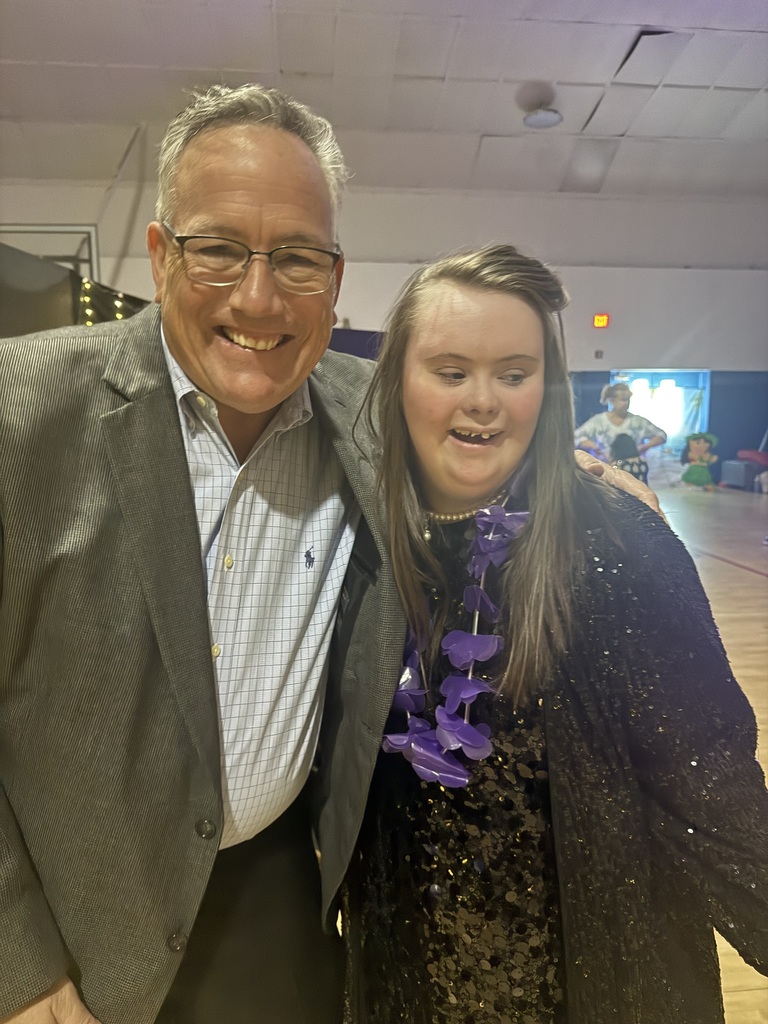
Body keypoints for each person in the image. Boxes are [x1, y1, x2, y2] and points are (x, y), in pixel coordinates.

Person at [0, 84, 662, 1024]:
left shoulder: (367, 413)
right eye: (219, 249)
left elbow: (476, 422)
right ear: (157, 255)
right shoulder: (17, 416)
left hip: (274, 908)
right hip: (64, 921)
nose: (259, 297)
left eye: (297, 258)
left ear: (336, 276)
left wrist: (576, 467)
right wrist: (18, 967)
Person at [337, 244, 768, 1024]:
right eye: (450, 370)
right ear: (399, 379)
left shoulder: (618, 544)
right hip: (410, 976)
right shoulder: (359, 538)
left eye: (513, 372)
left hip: (594, 976)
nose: (484, 401)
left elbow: (712, 784)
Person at [575, 381, 667, 462]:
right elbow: (576, 436)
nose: (626, 403)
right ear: (612, 400)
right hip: (605, 469)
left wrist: (645, 447)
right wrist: (594, 447)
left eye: (628, 400)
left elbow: (661, 435)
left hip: (632, 470)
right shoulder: (599, 421)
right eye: (622, 400)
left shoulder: (638, 421)